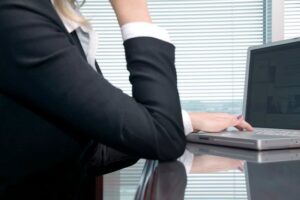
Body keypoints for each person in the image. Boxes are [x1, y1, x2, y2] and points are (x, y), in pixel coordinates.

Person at [0, 0, 253, 199]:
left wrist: (185, 121)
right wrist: (133, 9)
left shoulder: (48, 17)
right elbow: (162, 138)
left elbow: (90, 147)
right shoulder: (17, 14)